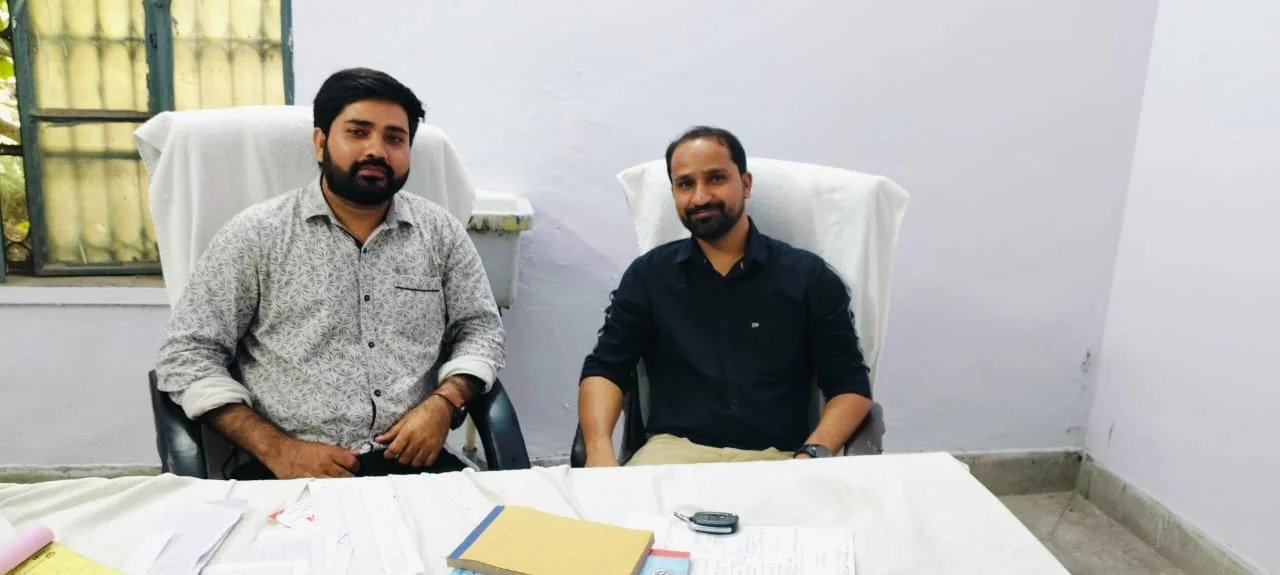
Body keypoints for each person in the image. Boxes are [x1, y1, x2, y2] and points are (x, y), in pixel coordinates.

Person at [155, 68, 505, 480]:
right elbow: (187, 356)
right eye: (358, 132)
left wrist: (444, 403)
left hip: (415, 465)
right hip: (288, 471)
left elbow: (481, 329)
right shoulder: (256, 235)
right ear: (321, 143)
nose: (377, 150)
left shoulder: (440, 233)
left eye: (395, 138)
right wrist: (278, 450)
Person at [577, 126, 873, 467]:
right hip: (670, 455)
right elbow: (606, 368)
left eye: (716, 178)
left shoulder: (809, 278)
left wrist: (812, 454)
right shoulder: (648, 277)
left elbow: (851, 386)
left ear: (745, 184)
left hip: (777, 460)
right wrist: (599, 451)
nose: (701, 197)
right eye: (686, 184)